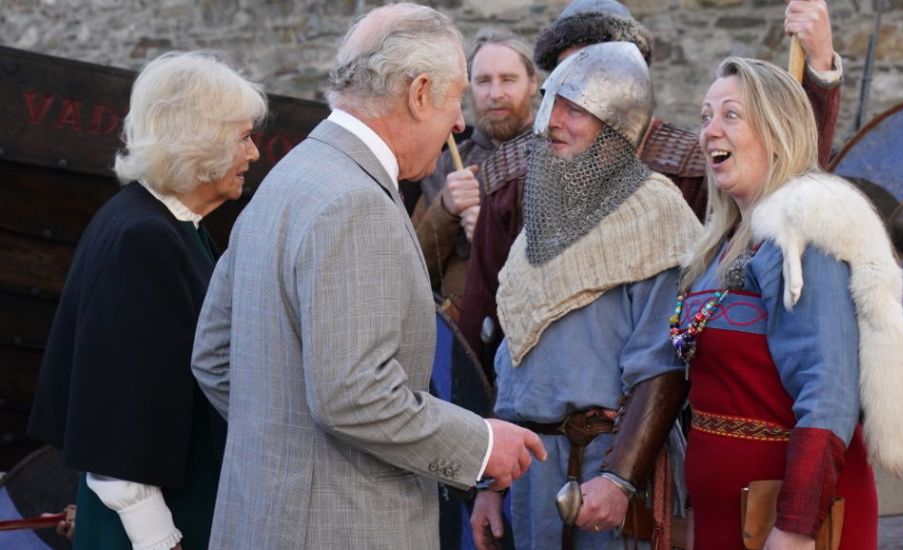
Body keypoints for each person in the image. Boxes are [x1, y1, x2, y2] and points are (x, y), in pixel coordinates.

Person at [190, 4, 546, 549]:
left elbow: (214, 356)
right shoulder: (356, 201)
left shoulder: (290, 174)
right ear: (420, 92)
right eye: (454, 100)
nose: (458, 122)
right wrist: (479, 444)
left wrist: (288, 456)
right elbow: (353, 395)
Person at [457, 0, 844, 371]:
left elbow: (789, 178)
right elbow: (484, 309)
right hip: (538, 409)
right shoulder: (514, 175)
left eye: (604, 67)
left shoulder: (694, 167)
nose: (589, 84)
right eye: (574, 71)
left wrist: (819, 70)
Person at [674, 56, 903, 548]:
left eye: (730, 115)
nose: (710, 131)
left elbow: (827, 390)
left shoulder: (807, 235)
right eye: (705, 117)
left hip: (793, 524)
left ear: (777, 130)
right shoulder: (719, 246)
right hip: (726, 518)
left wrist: (794, 526)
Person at [27, 51, 268, 550]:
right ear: (199, 143)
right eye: (243, 137)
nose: (254, 155)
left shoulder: (166, 224)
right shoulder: (145, 240)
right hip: (149, 528)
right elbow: (116, 419)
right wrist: (159, 540)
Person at [470, 42, 701, 550]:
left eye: (575, 109)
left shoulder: (655, 216)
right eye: (551, 103)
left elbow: (663, 365)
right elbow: (516, 359)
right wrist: (491, 483)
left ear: (616, 124)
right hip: (531, 471)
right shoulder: (543, 221)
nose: (552, 121)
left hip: (606, 467)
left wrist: (621, 477)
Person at [411, 27, 539, 318]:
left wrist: (490, 233)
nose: (495, 94)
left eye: (508, 79)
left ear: (533, 82)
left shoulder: (559, 156)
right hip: (462, 340)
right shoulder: (446, 165)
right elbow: (412, 271)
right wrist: (445, 209)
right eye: (483, 81)